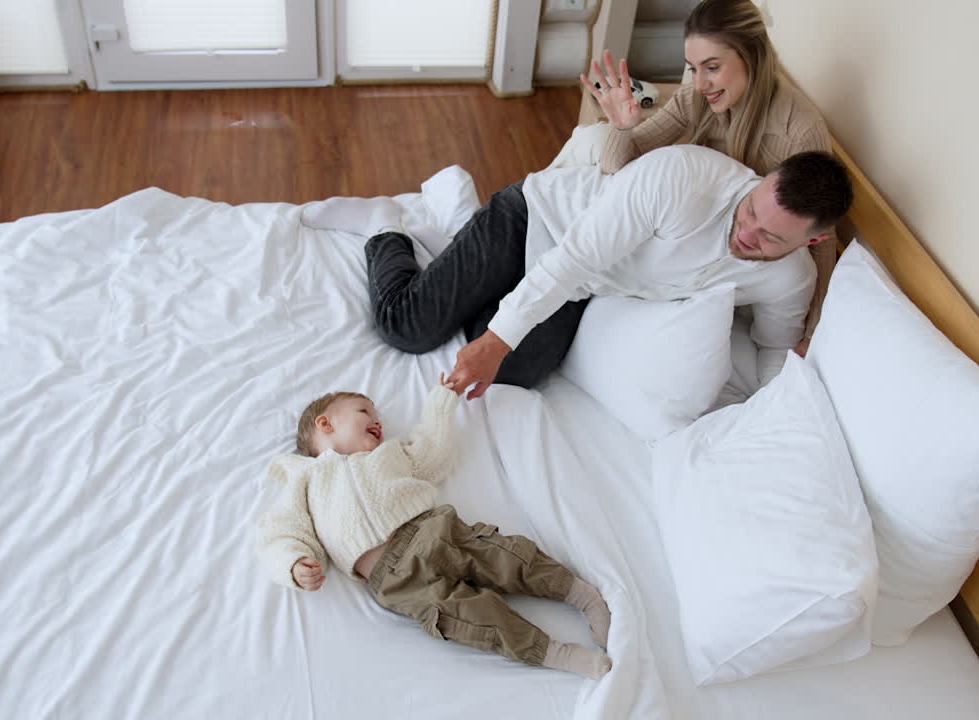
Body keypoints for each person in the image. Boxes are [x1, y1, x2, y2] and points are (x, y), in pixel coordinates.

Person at [303, 146, 852, 399]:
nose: (748, 231)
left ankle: (452, 248)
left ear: (814, 240)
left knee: (512, 377)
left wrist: (779, 414)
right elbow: (575, 260)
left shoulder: (791, 280)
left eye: (771, 238)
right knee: (409, 327)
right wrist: (496, 341)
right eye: (752, 208)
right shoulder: (683, 178)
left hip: (586, 288)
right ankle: (387, 232)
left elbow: (775, 351)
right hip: (540, 220)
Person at [255, 375, 613, 679]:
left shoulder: (390, 454)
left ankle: (583, 596)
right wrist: (293, 562)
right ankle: (556, 654)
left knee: (507, 557)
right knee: (472, 620)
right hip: (397, 583)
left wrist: (442, 403)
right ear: (325, 424)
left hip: (435, 532)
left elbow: (434, 455)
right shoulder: (306, 480)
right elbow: (283, 531)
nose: (378, 420)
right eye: (365, 411)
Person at [580, 0, 837, 351]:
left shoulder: (799, 131)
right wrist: (622, 127)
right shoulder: (695, 97)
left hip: (732, 259)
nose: (699, 83)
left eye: (711, 67)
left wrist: (812, 331)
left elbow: (822, 237)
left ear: (752, 57)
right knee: (594, 140)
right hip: (688, 240)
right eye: (692, 68)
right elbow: (617, 165)